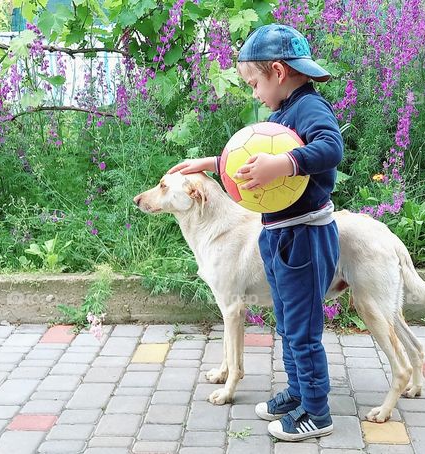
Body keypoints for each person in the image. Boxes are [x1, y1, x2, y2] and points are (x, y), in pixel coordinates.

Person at [168, 23, 343, 441]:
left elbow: (331, 147)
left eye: (254, 83)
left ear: (279, 72)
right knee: (285, 321)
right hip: (278, 233)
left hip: (305, 233)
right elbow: (252, 157)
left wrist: (282, 166)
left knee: (303, 329)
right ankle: (298, 392)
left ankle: (317, 412)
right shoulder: (283, 113)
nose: (253, 93)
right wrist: (211, 163)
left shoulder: (310, 109)